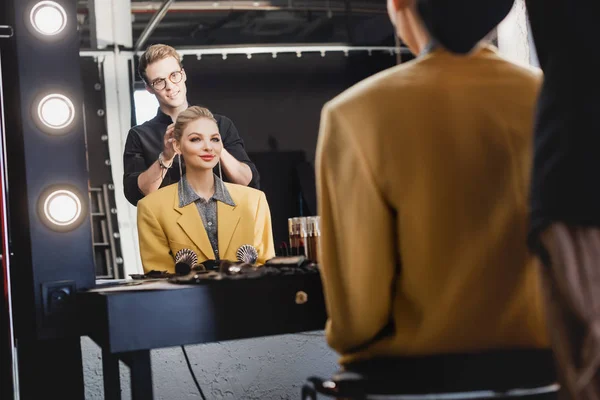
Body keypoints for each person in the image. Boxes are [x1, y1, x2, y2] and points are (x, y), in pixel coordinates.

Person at [315, 0, 549, 368]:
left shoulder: (354, 114)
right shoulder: (547, 98)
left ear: (399, 4)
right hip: (547, 371)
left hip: (414, 377)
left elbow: (357, 320)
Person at [136, 106, 274, 273]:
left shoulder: (255, 201)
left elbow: (266, 268)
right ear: (178, 146)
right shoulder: (151, 208)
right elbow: (159, 278)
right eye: (196, 139)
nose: (208, 147)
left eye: (215, 139)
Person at [123, 44, 259, 206]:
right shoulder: (139, 135)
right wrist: (165, 158)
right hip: (168, 228)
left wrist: (215, 143)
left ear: (183, 74)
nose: (170, 86)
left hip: (223, 225)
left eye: (174, 75)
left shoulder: (221, 125)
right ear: (149, 88)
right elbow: (136, 194)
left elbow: (247, 181)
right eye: (159, 81)